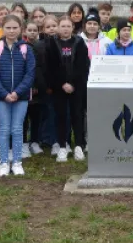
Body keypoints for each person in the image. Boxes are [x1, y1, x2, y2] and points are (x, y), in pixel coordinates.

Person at [0, 15, 36, 177]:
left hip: (20, 97)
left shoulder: (26, 48)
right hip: (2, 97)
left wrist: (17, 92)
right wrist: (4, 93)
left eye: (15, 27)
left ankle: (17, 162)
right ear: (3, 28)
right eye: (8, 27)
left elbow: (30, 74)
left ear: (20, 29)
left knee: (17, 129)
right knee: (4, 129)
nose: (12, 31)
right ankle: (4, 162)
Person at [47, 17, 89, 162]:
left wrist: (73, 84)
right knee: (61, 116)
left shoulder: (79, 42)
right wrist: (62, 84)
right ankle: (63, 146)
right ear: (58, 28)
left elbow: (82, 66)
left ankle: (78, 145)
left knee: (77, 115)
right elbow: (50, 67)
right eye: (62, 26)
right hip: (59, 88)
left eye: (68, 26)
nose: (65, 29)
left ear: (73, 28)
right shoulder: (52, 43)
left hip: (76, 88)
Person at [23, 21, 45, 155]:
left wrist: (37, 85)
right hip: (25, 88)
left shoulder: (40, 45)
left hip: (38, 88)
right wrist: (29, 85)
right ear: (25, 31)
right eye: (29, 30)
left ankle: (35, 141)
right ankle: (24, 143)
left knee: (37, 117)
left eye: (34, 30)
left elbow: (40, 67)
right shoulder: (22, 46)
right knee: (24, 118)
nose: (32, 32)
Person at [39, 15, 59, 153]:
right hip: (47, 86)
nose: (51, 29)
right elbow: (42, 67)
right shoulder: (40, 45)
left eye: (54, 26)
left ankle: (58, 139)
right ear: (43, 29)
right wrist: (47, 86)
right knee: (48, 113)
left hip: (60, 85)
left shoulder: (62, 42)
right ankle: (48, 139)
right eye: (48, 27)